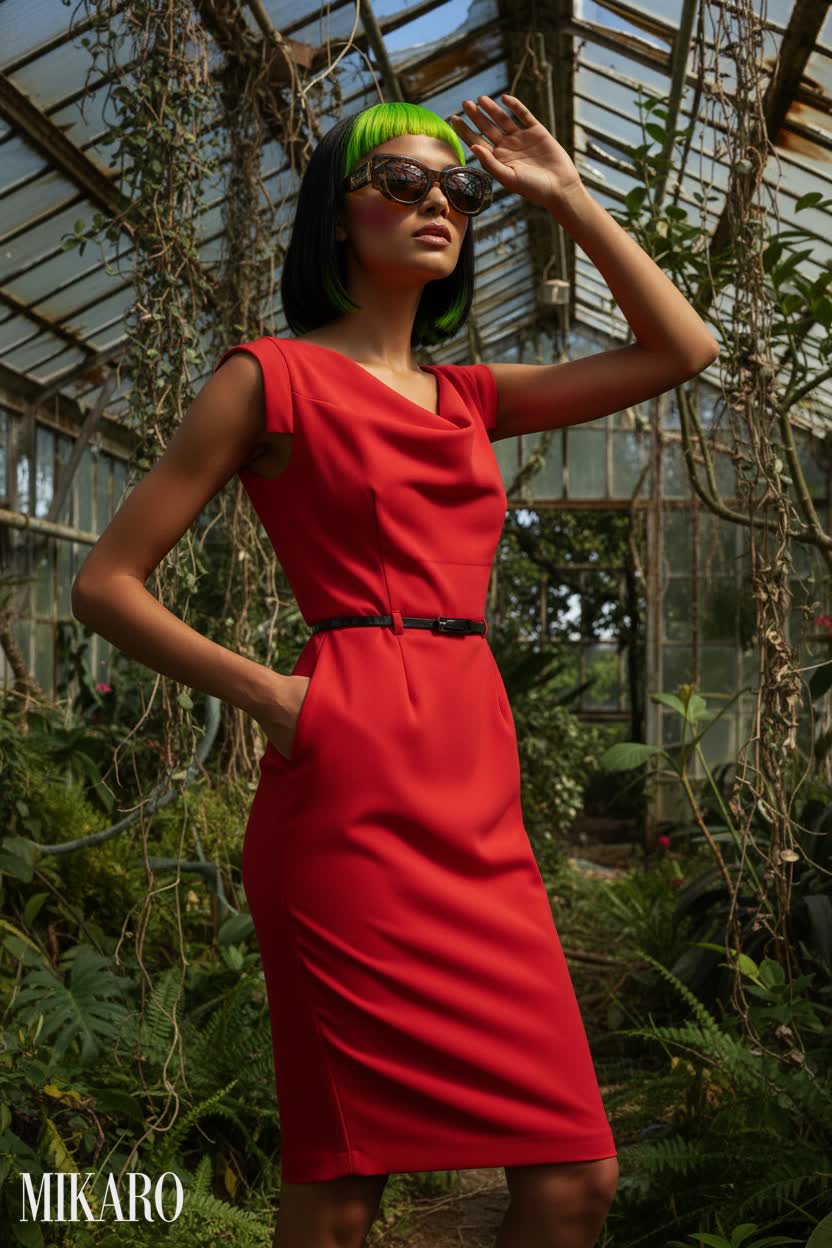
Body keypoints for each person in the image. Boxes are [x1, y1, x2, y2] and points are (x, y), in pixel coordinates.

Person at [72, 94, 718, 1248]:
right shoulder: (266, 379)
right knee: (343, 1187)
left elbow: (682, 348)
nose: (439, 203)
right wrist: (270, 693)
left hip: (477, 790)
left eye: (457, 189)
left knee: (575, 1179)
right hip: (345, 786)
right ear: (336, 218)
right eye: (405, 182)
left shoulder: (470, 396)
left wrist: (563, 194)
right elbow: (106, 582)